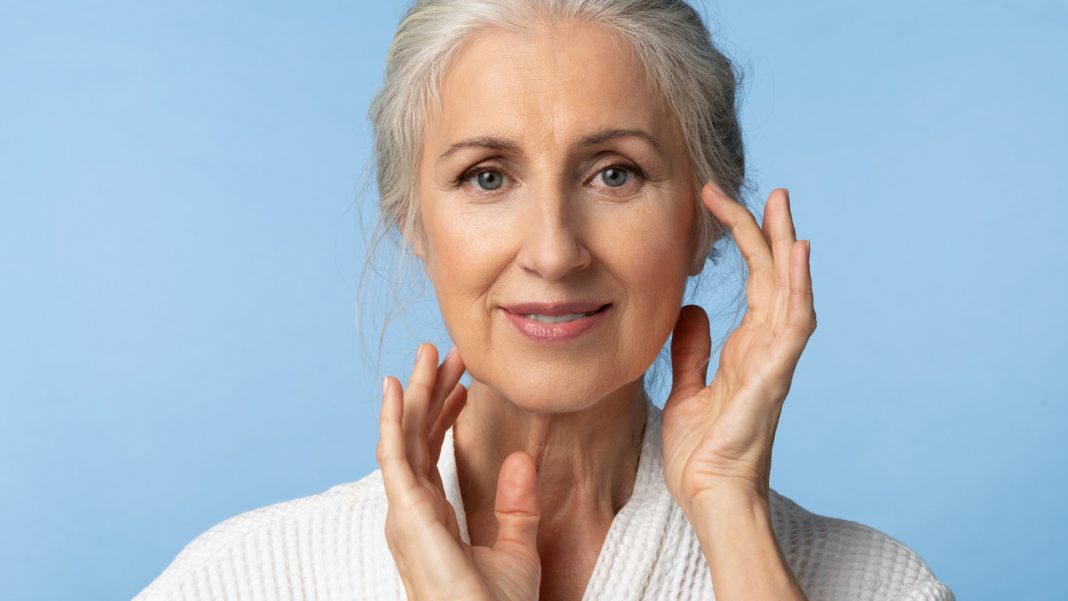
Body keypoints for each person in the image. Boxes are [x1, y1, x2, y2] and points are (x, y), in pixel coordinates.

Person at [135, 1, 955, 600]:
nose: (555, 251)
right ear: (413, 219)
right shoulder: (239, 580)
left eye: (614, 173)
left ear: (707, 218)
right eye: (488, 177)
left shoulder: (876, 585)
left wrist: (733, 516)